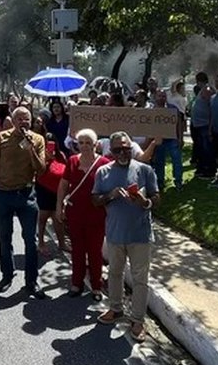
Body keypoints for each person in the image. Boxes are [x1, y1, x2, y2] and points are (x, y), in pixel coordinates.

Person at [92, 132, 160, 342]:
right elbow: (95, 200)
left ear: (131, 148)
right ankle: (116, 309)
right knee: (114, 273)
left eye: (126, 148)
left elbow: (157, 198)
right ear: (110, 151)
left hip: (140, 235)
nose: (122, 153)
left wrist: (145, 202)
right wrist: (109, 196)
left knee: (140, 280)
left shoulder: (145, 170)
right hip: (115, 234)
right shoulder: (103, 172)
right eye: (117, 150)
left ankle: (137, 320)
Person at [0, 107, 48, 299]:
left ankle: (31, 281)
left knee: (31, 240)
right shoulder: (1, 138)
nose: (24, 122)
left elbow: (41, 169)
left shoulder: (37, 139)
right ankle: (7, 275)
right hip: (3, 194)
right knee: (4, 237)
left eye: (27, 119)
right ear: (13, 121)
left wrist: (31, 149)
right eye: (20, 119)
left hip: (26, 195)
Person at [56, 129, 112, 300]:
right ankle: (76, 283)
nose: (85, 146)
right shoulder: (72, 161)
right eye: (81, 143)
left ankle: (96, 286)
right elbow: (63, 186)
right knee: (77, 250)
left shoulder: (105, 163)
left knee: (95, 251)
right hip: (75, 213)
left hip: (96, 214)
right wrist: (59, 207)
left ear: (96, 144)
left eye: (88, 142)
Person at [151, 91, 185, 191]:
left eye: (163, 96)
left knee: (177, 161)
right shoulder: (151, 110)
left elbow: (179, 124)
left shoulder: (173, 109)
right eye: (159, 96)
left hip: (172, 139)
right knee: (159, 161)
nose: (161, 98)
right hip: (159, 140)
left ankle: (178, 181)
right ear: (155, 97)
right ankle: (160, 182)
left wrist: (180, 138)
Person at [189, 80, 216, 179]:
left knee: (207, 148)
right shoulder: (201, 91)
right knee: (200, 147)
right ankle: (201, 168)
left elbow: (211, 107)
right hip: (198, 125)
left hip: (204, 124)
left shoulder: (207, 90)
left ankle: (209, 170)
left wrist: (210, 127)